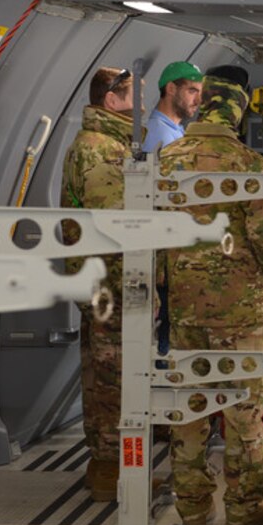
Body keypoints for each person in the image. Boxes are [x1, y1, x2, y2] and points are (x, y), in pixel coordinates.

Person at [159, 65, 263, 525]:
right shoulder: (251, 165)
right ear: (237, 107)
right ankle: (244, 509)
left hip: (186, 313)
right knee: (244, 417)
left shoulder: (167, 160)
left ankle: (192, 512)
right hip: (243, 317)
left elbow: (151, 237)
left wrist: (167, 286)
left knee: (189, 416)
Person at [60, 66, 136, 502]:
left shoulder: (101, 143)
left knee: (100, 374)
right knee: (112, 380)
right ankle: (110, 471)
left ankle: (106, 465)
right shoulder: (101, 150)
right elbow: (115, 229)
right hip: (110, 284)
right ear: (112, 101)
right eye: (131, 96)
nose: (139, 105)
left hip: (97, 280)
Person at [142, 61, 203, 153]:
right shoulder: (159, 134)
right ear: (171, 88)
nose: (198, 101)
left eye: (200, 93)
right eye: (192, 91)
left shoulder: (171, 129)